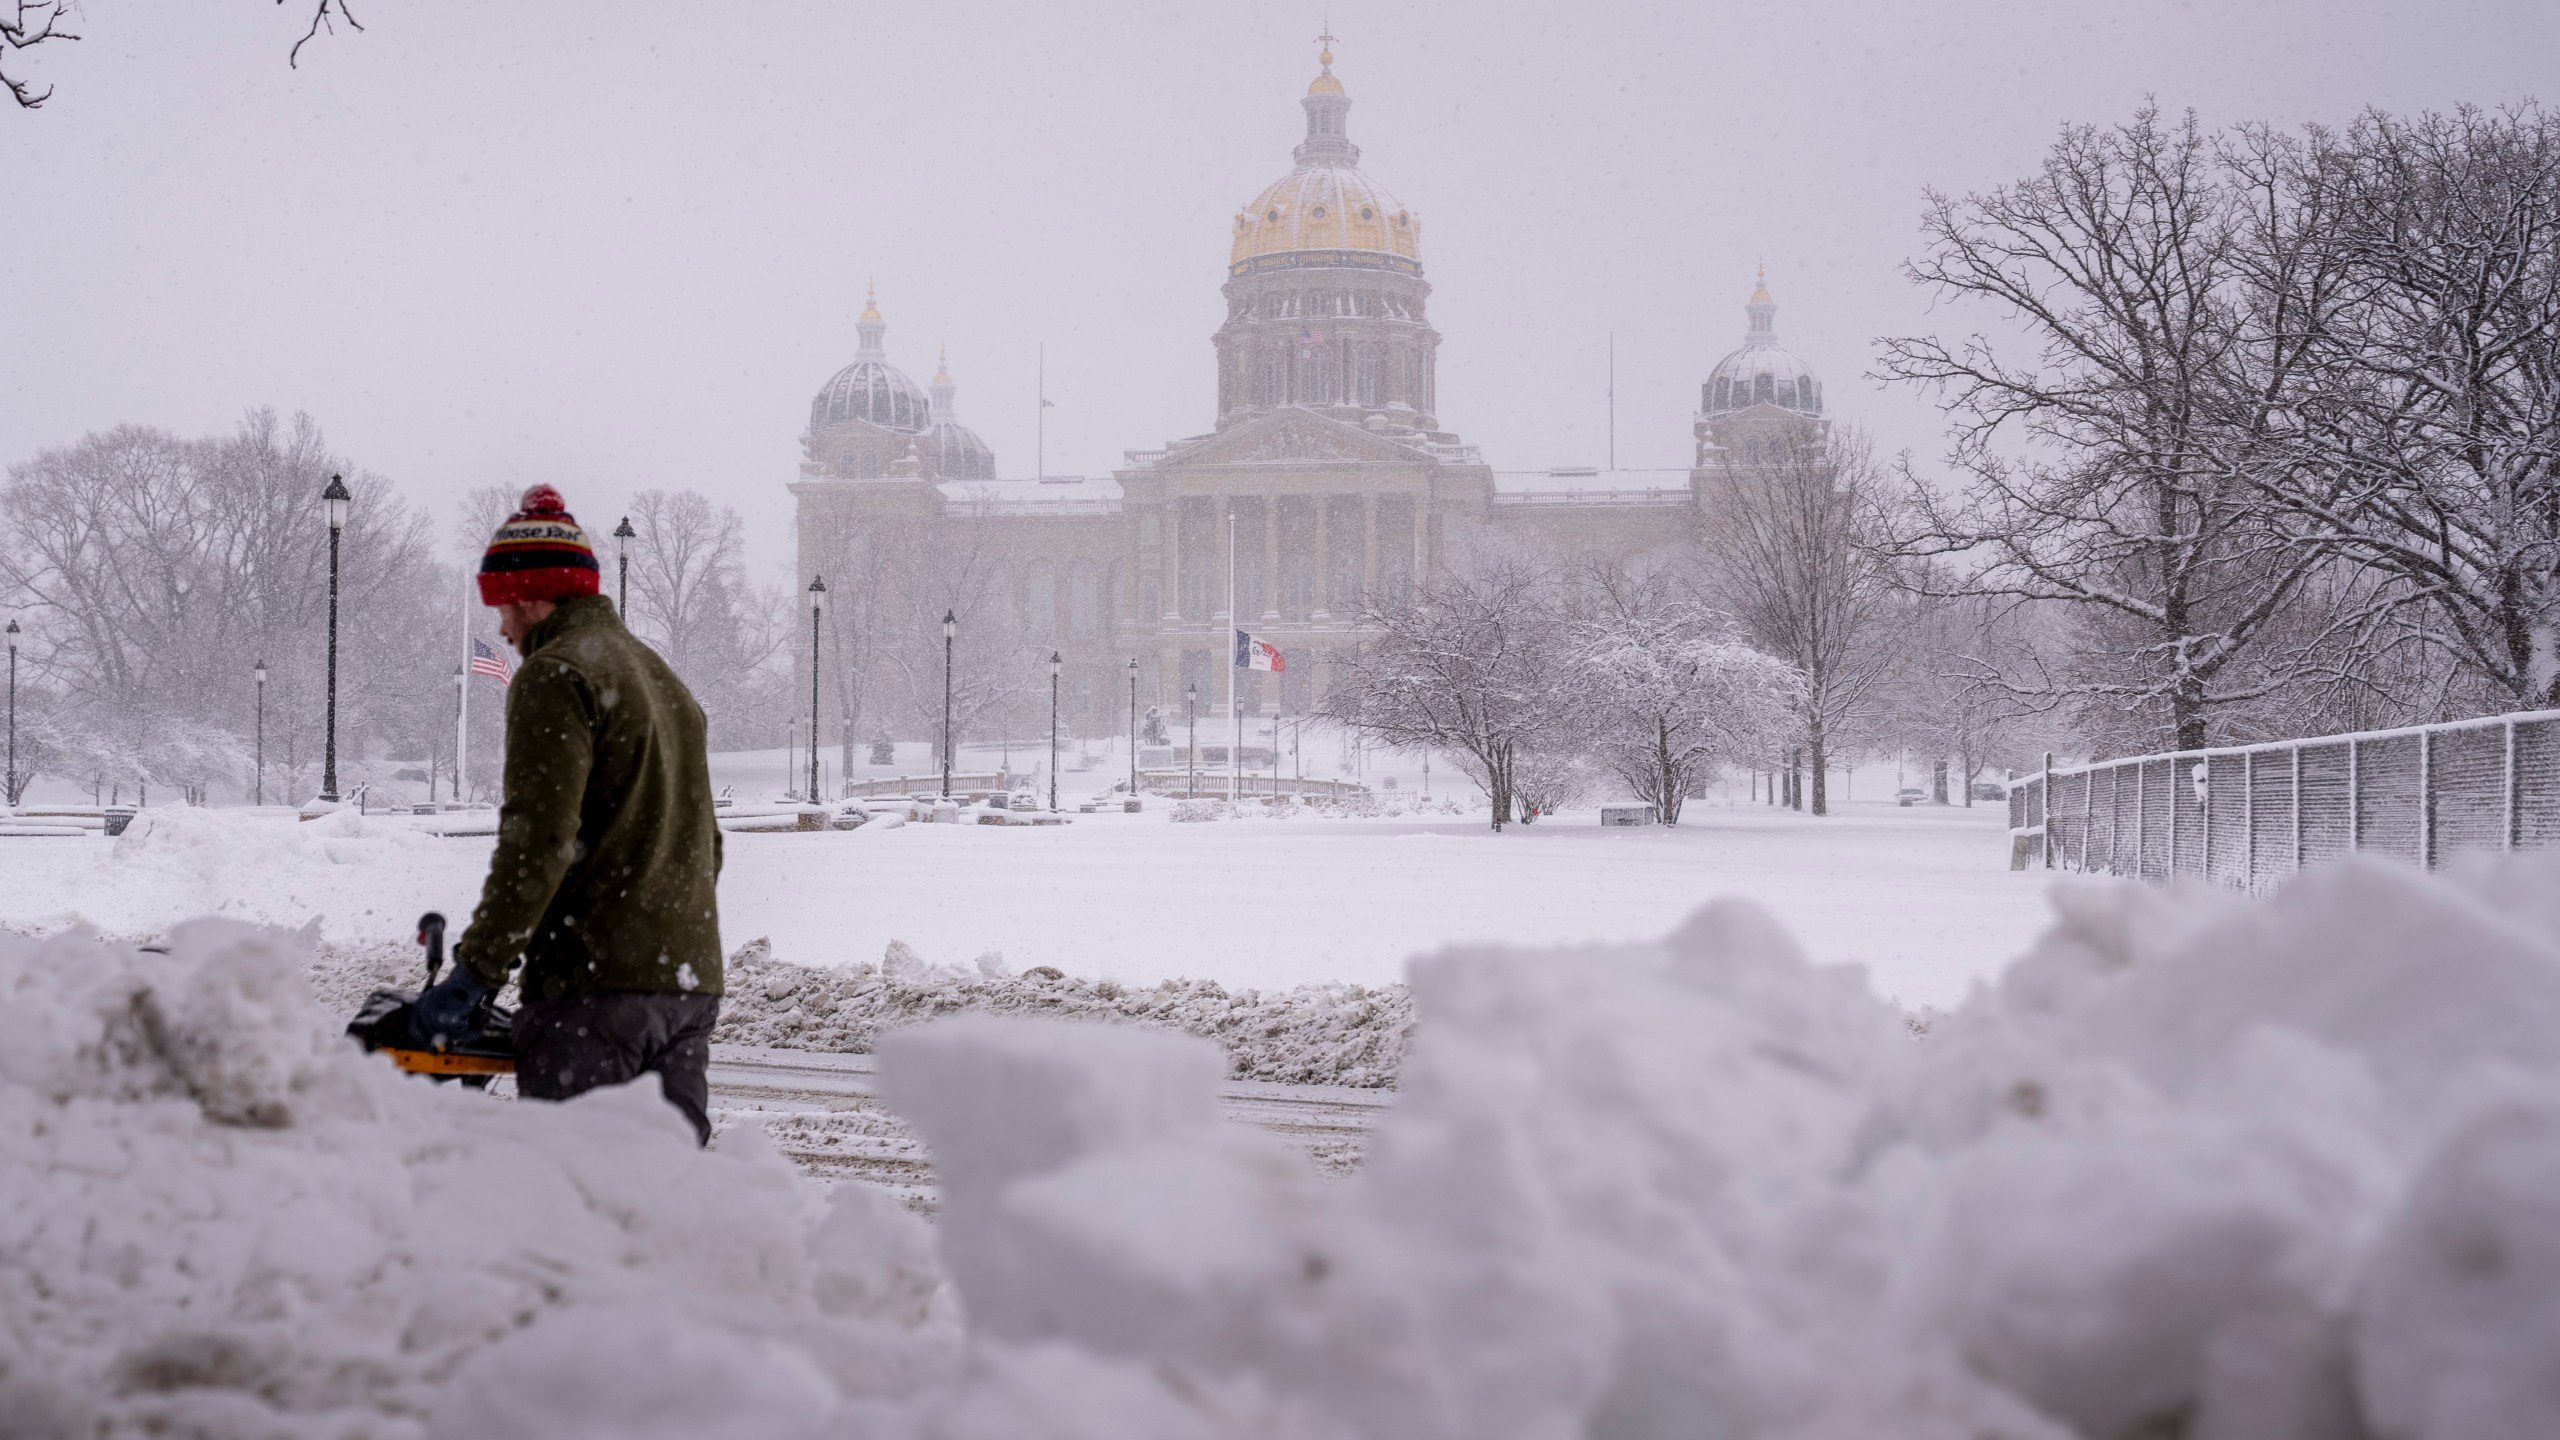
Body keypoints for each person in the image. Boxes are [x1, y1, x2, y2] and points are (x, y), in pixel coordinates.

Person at [413, 485, 726, 1144]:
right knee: (661, 1208)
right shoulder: (661, 678)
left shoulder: (556, 674)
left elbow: (539, 841)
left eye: (501, 609)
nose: (501, 629)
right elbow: (709, 845)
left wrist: (477, 971)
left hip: (593, 994)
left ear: (529, 597)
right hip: (688, 987)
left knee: (575, 1213)